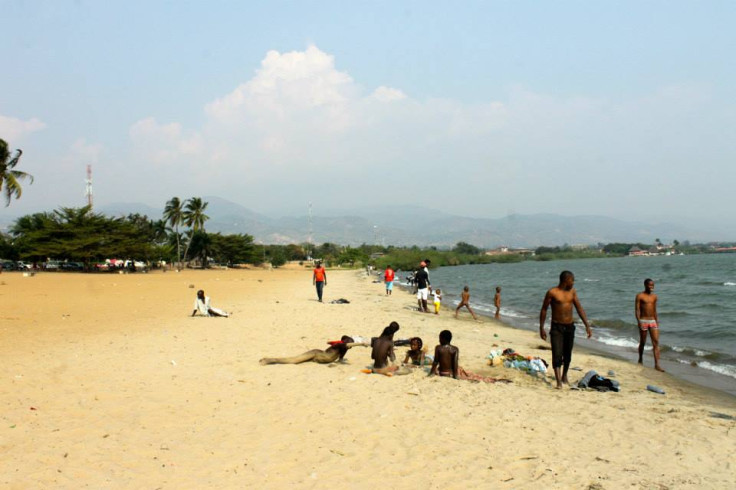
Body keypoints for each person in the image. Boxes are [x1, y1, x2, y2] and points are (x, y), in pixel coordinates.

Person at [539, 271, 592, 389]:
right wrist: (541, 327)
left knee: (567, 354)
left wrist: (587, 325)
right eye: (572, 280)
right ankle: (558, 381)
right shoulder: (552, 292)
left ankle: (564, 376)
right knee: (557, 353)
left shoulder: (572, 292)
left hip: (569, 326)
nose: (573, 282)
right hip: (557, 327)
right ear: (566, 280)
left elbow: (579, 308)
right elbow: (544, 309)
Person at [428, 330, 508, 383]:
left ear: (443, 339)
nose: (439, 340)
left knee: (471, 375)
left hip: (442, 373)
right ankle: (497, 380)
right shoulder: (455, 349)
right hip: (451, 373)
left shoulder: (438, 348)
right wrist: (455, 376)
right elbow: (455, 364)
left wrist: (431, 373)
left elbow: (435, 362)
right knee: (475, 376)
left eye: (440, 338)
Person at [259, 336, 368, 365]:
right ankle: (269, 360)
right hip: (317, 354)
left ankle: (269, 360)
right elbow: (347, 344)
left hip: (320, 358)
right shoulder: (342, 345)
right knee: (294, 360)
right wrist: (361, 344)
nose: (350, 346)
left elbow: (340, 359)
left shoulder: (343, 349)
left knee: (297, 361)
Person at [635, 278, 664, 372]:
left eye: (653, 285)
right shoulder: (640, 296)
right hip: (643, 320)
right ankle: (640, 359)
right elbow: (637, 310)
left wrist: (656, 321)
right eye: (650, 285)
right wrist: (638, 321)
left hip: (652, 321)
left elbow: (655, 310)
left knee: (656, 342)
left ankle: (657, 364)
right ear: (645, 285)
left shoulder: (654, 297)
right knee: (642, 342)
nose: (652, 287)